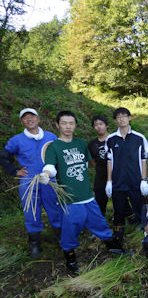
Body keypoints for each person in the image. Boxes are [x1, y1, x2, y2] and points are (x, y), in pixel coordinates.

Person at [42, 111, 126, 273]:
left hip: (87, 195)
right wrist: (46, 174)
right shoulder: (54, 147)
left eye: (71, 123)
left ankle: (114, 248)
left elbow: (89, 164)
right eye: (64, 123)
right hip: (70, 199)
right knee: (70, 229)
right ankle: (70, 260)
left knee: (99, 222)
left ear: (75, 125)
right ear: (58, 125)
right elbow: (50, 166)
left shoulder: (81, 144)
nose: (68, 126)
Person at [0, 108, 63, 258]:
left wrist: (58, 172)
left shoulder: (50, 136)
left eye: (32, 116)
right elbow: (3, 157)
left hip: (49, 179)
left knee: (54, 208)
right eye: (25, 118)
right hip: (29, 181)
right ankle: (35, 244)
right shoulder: (17, 140)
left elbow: (58, 156)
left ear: (38, 119)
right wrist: (15, 171)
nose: (29, 119)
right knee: (31, 211)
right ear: (22, 121)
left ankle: (60, 238)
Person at [105, 107, 148, 244]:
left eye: (124, 116)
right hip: (118, 181)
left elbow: (143, 160)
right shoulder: (111, 139)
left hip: (135, 180)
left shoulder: (139, 138)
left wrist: (144, 179)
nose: (121, 119)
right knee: (118, 210)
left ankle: (144, 232)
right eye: (118, 117)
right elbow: (109, 161)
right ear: (115, 120)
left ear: (129, 118)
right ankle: (118, 236)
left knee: (138, 207)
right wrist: (109, 181)